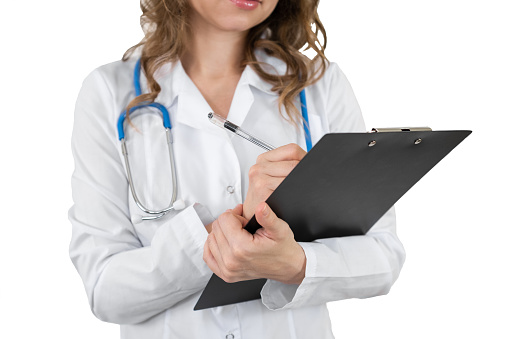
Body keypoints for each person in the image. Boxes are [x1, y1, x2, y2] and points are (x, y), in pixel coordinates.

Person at [69, 0, 406, 338]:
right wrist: (229, 231)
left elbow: (383, 255)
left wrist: (295, 264)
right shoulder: (109, 92)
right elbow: (105, 291)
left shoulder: (319, 86)